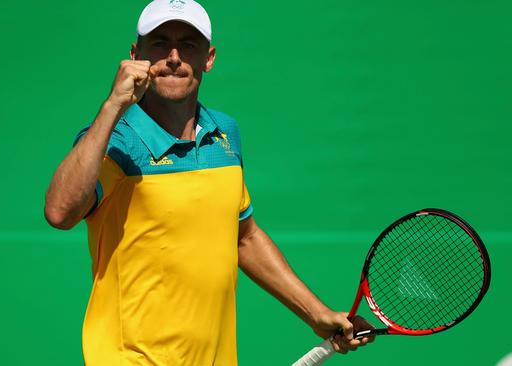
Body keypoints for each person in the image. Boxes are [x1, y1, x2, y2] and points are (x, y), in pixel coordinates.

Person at [44, 0, 374, 364]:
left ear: (208, 58)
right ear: (136, 55)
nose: (174, 57)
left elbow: (243, 236)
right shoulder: (114, 140)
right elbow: (60, 212)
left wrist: (316, 314)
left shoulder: (225, 135)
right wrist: (111, 107)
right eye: (159, 43)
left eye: (188, 44)